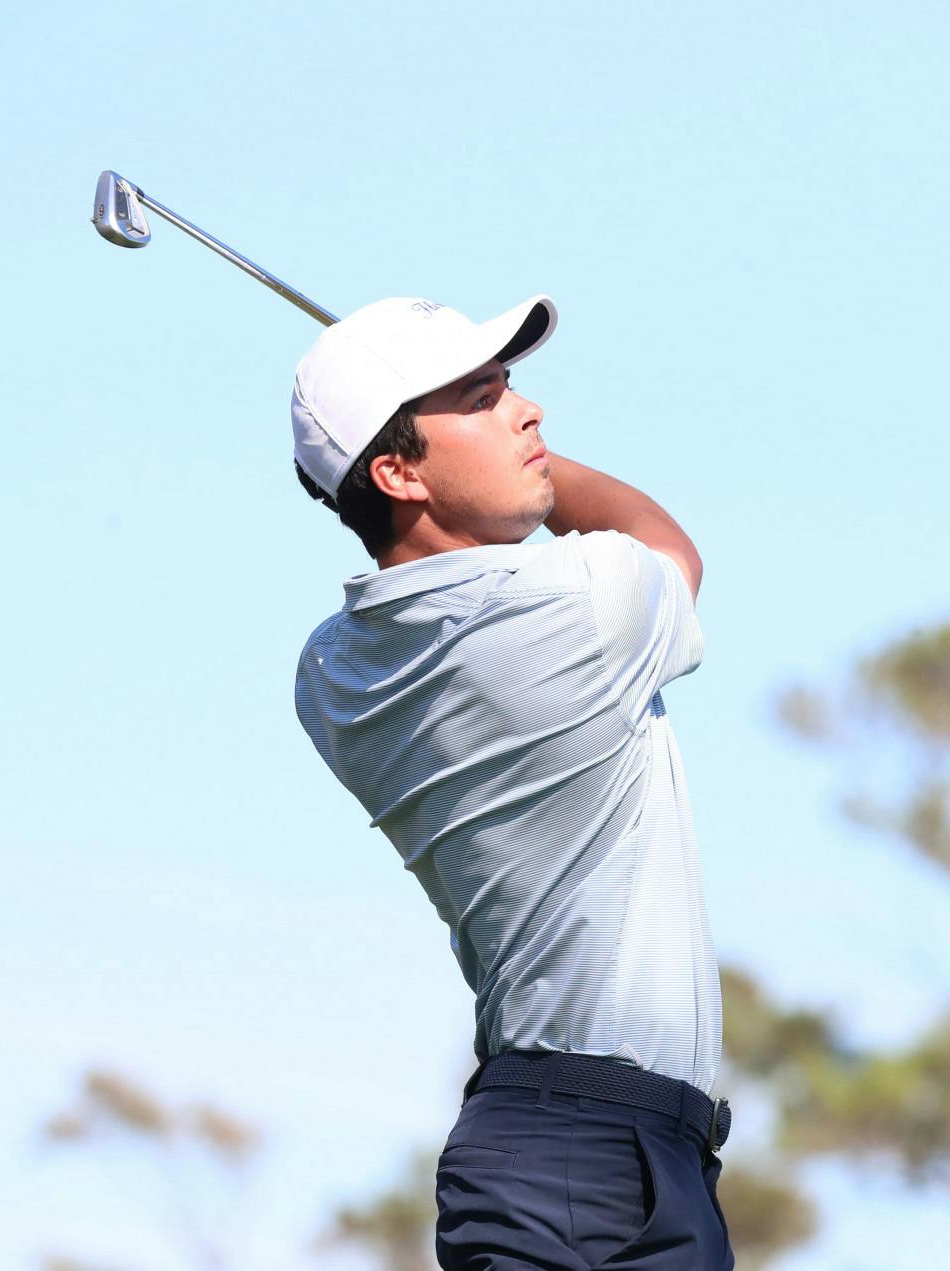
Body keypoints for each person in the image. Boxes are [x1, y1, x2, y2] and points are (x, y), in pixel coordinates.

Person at [290, 294, 732, 1270]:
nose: (529, 412)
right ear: (397, 470)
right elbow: (667, 544)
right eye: (484, 398)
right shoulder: (576, 604)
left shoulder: (330, 671)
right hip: (588, 1158)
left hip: (583, 1152)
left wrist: (485, 454)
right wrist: (538, 476)